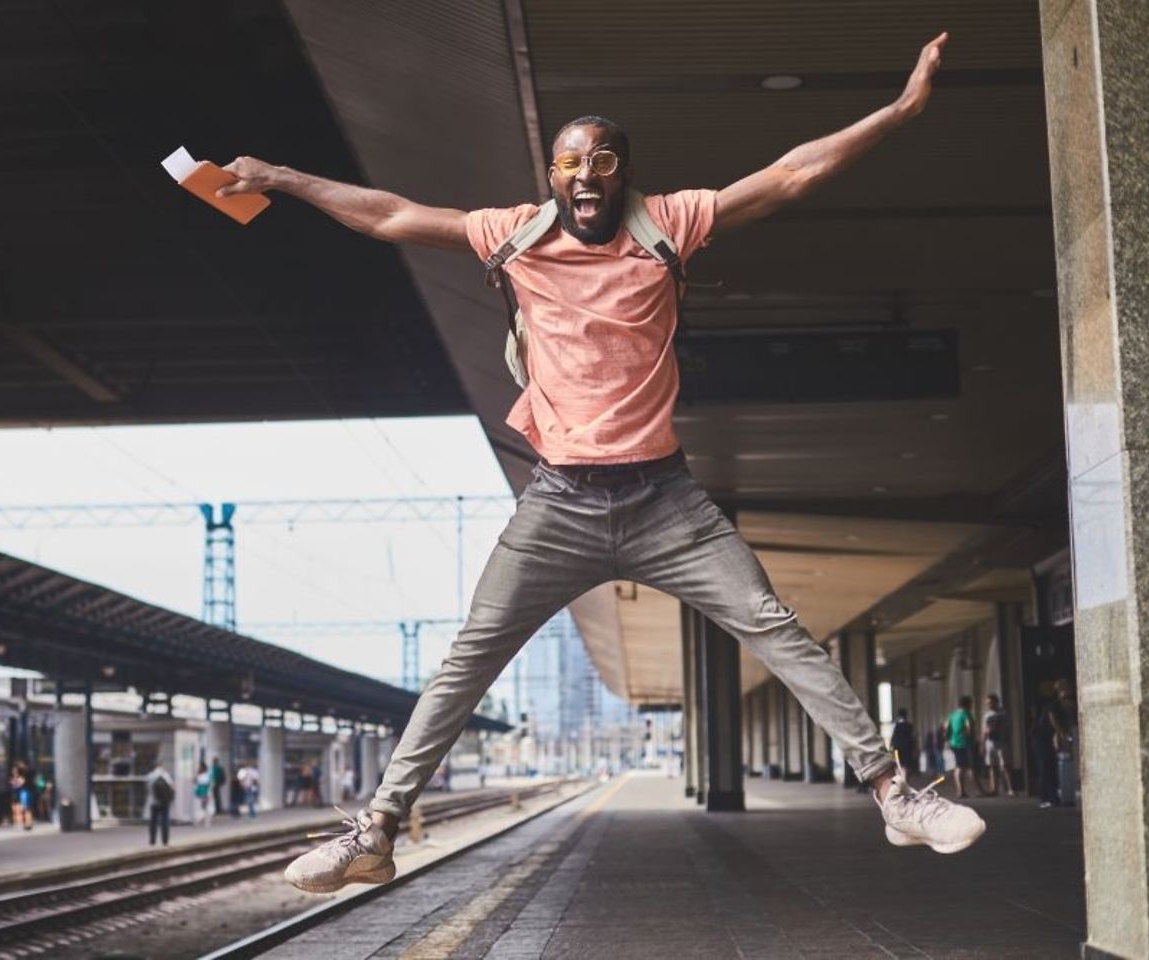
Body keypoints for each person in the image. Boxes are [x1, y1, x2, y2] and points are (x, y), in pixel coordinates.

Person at [216, 32, 986, 895]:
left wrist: (901, 109)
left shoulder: (672, 225)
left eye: (604, 160)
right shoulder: (513, 236)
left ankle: (894, 794)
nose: (587, 175)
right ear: (551, 176)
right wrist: (282, 178)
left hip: (667, 502)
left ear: (624, 172)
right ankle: (378, 830)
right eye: (570, 163)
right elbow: (391, 214)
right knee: (470, 657)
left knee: (776, 628)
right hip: (557, 506)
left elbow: (789, 175)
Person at [982, 693, 1016, 797]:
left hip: (1001, 742)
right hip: (990, 743)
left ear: (996, 702)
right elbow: (983, 729)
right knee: (992, 766)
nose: (989, 705)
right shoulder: (986, 715)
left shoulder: (1003, 713)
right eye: (987, 703)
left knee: (1005, 766)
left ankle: (1011, 789)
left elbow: (1008, 727)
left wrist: (1007, 739)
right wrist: (982, 743)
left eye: (990, 703)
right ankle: (994, 789)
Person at [945, 696, 978, 799]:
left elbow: (946, 728)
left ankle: (960, 790)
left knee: (959, 767)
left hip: (954, 743)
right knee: (970, 767)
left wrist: (949, 740)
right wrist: (970, 736)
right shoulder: (966, 713)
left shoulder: (952, 715)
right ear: (968, 704)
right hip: (965, 743)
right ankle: (977, 790)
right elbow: (969, 727)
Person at [147, 761, 174, 846]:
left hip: (153, 802)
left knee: (153, 821)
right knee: (165, 820)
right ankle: (165, 840)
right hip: (165, 802)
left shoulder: (150, 776)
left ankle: (152, 840)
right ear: (161, 766)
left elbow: (148, 789)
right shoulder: (166, 775)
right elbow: (172, 787)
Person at [889, 709, 918, 778]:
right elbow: (912, 738)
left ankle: (898, 780)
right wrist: (915, 748)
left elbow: (893, 737)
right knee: (904, 766)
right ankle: (903, 780)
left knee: (897, 764)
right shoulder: (909, 726)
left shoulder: (896, 726)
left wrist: (891, 747)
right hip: (906, 749)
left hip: (897, 748)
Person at [194, 760, 214, 827]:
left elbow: (210, 784)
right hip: (202, 792)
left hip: (203, 792)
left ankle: (202, 820)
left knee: (204, 806)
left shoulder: (204, 775)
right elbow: (195, 781)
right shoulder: (203, 775)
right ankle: (204, 821)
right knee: (204, 807)